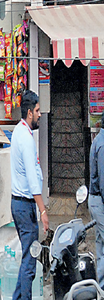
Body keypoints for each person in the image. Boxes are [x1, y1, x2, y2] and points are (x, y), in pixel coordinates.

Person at [10, 90, 49, 300]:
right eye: (37, 110)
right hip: (25, 206)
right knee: (30, 261)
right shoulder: (24, 137)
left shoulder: (19, 131)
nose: (40, 114)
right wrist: (43, 210)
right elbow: (33, 182)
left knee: (27, 258)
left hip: (21, 205)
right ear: (28, 112)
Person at [88, 112, 104, 289]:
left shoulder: (98, 140)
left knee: (101, 247)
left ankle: (100, 288)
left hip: (95, 200)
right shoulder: (103, 144)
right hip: (100, 201)